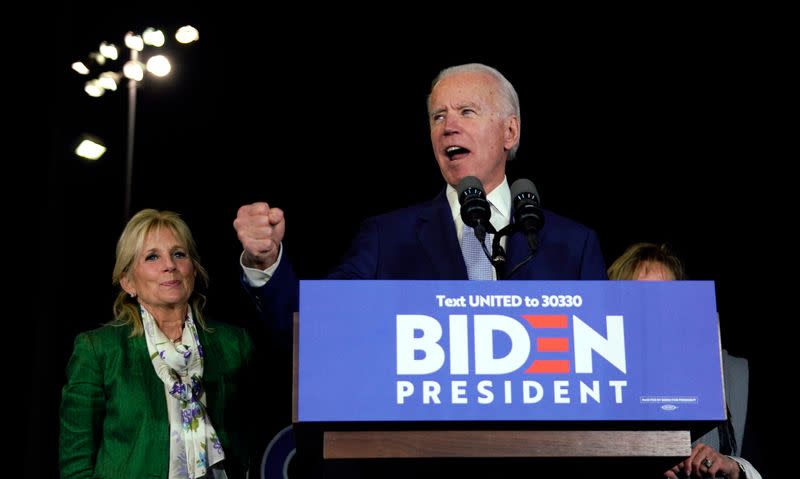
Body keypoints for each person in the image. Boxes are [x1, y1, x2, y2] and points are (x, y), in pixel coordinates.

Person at [233, 63, 607, 333]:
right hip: (426, 439)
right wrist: (266, 261)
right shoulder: (387, 237)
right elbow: (312, 322)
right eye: (437, 116)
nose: (449, 127)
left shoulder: (573, 245)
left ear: (509, 131)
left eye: (466, 112)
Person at [59, 209, 255, 479]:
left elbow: (254, 434)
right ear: (128, 282)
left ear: (194, 270)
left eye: (179, 254)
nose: (170, 265)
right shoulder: (99, 349)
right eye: (152, 257)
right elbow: (75, 464)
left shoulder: (234, 343)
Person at [608, 242, 761, 479]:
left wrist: (733, 467)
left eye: (665, 297)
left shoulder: (731, 374)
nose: (653, 310)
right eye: (638, 297)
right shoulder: (595, 379)